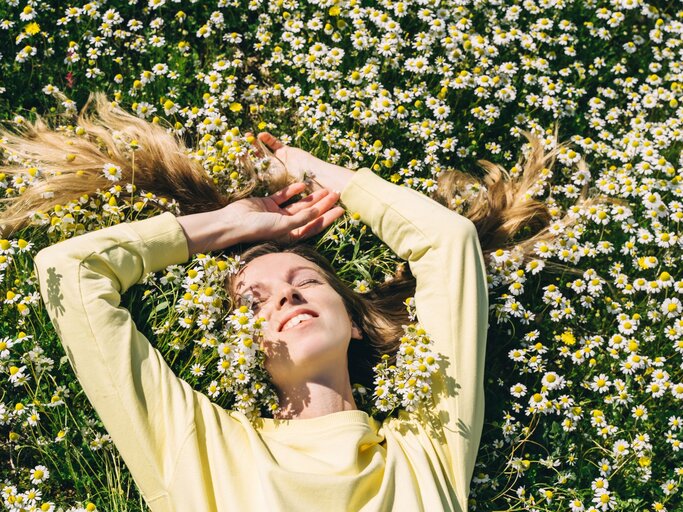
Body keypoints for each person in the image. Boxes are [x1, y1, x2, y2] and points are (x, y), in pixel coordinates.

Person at [1, 96, 569, 511]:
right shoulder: (197, 444)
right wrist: (227, 223)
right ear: (240, 347)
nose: (287, 295)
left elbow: (448, 244)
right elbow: (68, 272)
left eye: (307, 281)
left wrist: (311, 171)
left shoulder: (428, 443)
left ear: (354, 322)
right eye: (255, 301)